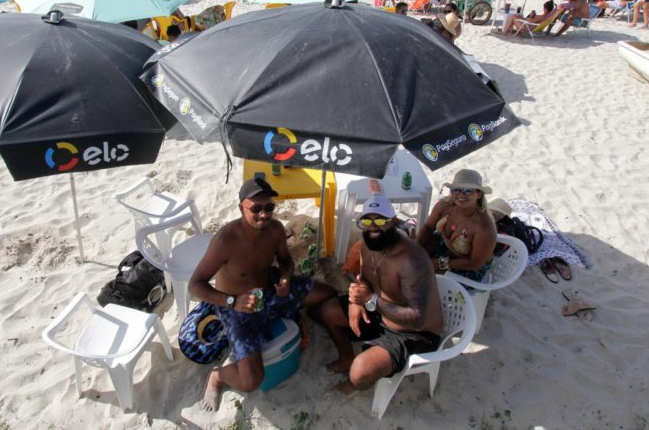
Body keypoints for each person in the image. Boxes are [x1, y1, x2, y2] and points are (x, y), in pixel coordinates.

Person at [189, 178, 336, 411]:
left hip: (271, 290)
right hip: (237, 308)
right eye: (255, 208)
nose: (263, 214)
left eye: (269, 207)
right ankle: (218, 376)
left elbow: (286, 261)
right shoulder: (225, 240)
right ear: (241, 208)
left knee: (328, 293)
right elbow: (195, 285)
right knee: (250, 381)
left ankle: (302, 316)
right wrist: (232, 301)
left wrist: (286, 278)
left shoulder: (275, 229)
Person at [319, 195, 443, 394]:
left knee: (359, 372)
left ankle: (353, 383)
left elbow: (417, 320)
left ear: (393, 222)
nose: (373, 227)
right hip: (381, 313)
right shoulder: (367, 245)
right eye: (367, 221)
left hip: (414, 333)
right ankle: (345, 358)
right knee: (329, 311)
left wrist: (371, 300)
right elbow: (365, 280)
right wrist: (356, 300)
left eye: (381, 220)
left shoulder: (411, 260)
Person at [417, 169, 497, 282]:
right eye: (456, 189)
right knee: (411, 259)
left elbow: (474, 263)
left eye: (468, 190)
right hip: (444, 247)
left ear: (479, 194)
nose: (461, 194)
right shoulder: (444, 205)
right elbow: (428, 228)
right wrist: (415, 248)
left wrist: (440, 264)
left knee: (427, 277)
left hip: (468, 265)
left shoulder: (484, 227)